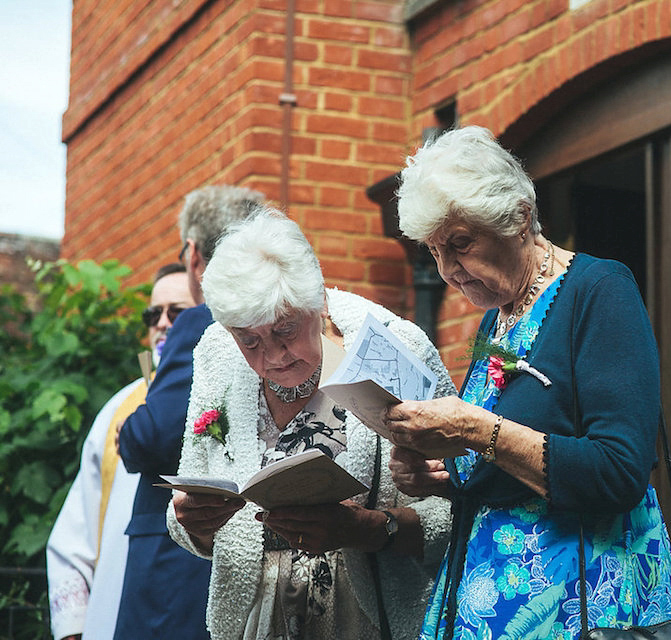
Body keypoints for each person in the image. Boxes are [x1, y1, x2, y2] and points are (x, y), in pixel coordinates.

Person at [384, 126, 671, 639]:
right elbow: (514, 466)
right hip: (495, 598)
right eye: (434, 252)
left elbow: (618, 471)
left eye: (460, 244)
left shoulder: (599, 290)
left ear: (520, 218)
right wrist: (446, 476)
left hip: (580, 606)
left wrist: (476, 430)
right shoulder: (499, 315)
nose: (449, 270)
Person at [168, 211, 456, 640]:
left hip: (371, 617)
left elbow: (461, 504)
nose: (273, 356)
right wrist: (192, 521)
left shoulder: (393, 347)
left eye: (285, 330)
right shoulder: (216, 353)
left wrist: (371, 529)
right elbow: (188, 500)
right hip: (256, 621)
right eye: (249, 340)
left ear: (318, 301)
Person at [115, 185, 265, 640]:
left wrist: (129, 427)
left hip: (179, 557)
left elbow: (156, 433)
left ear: (195, 254)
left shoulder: (201, 321)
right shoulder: (281, 318)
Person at [46, 263, 194, 640]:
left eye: (177, 312)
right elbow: (76, 527)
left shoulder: (218, 396)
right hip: (111, 606)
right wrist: (74, 625)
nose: (162, 322)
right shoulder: (119, 407)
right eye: (153, 313)